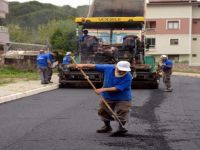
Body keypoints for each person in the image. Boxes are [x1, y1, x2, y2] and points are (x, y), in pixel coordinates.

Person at [76, 61, 133, 134]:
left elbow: (117, 88)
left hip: (123, 98)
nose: (122, 72)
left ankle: (121, 127)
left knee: (122, 111)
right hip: (107, 96)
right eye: (120, 70)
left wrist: (102, 89)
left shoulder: (128, 77)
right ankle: (107, 126)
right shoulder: (108, 68)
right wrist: (82, 65)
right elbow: (95, 66)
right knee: (103, 111)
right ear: (116, 67)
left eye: (124, 71)